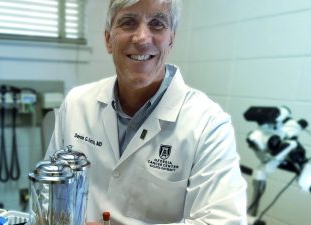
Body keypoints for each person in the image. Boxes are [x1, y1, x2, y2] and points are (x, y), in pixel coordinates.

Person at [45, 0, 247, 224]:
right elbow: (49, 189)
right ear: (108, 39)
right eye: (128, 22)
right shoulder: (76, 103)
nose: (142, 37)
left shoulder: (209, 125)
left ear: (171, 39)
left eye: (157, 24)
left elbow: (223, 221)